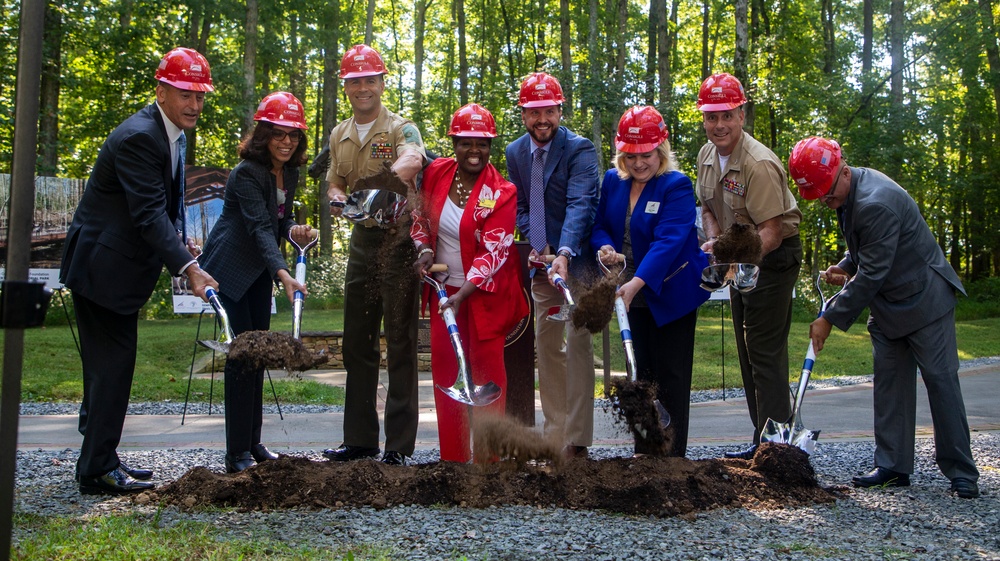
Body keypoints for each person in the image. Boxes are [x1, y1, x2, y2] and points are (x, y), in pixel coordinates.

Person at [59, 47, 219, 495]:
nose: (194, 105)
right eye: (185, 94)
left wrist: (179, 239)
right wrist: (188, 266)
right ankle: (95, 469)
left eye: (200, 96)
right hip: (102, 270)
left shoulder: (169, 133)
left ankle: (100, 454)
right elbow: (147, 214)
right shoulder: (140, 137)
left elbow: (160, 208)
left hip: (113, 269)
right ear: (161, 91)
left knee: (106, 368)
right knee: (113, 368)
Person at [789, 136, 980, 499]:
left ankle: (961, 471)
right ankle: (893, 465)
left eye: (828, 195)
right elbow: (867, 247)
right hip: (888, 305)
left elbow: (873, 272)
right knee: (890, 384)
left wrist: (829, 316)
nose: (827, 204)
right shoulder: (849, 189)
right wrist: (845, 265)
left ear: (842, 172)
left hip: (924, 300)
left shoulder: (877, 201)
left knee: (941, 383)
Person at [198, 92, 314, 473]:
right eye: (279, 134)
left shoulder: (290, 172)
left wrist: (294, 229)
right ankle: (236, 454)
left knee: (258, 357)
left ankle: (254, 443)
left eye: (293, 136)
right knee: (240, 360)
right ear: (263, 134)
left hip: (260, 272)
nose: (287, 142)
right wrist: (283, 273)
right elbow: (259, 227)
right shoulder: (246, 173)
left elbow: (277, 222)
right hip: (231, 270)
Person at [323, 45, 426, 466]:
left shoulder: (401, 128)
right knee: (356, 344)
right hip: (363, 245)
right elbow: (333, 183)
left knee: (400, 343)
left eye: (370, 80)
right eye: (355, 81)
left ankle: (398, 447)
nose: (363, 87)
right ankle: (359, 440)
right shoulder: (338, 134)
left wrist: (382, 187)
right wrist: (338, 200)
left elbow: (415, 157)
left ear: (382, 83)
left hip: (399, 243)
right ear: (346, 87)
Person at [410, 103, 529, 462]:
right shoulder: (436, 174)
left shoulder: (502, 191)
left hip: (483, 296)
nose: (474, 150)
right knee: (448, 374)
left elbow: (494, 252)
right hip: (444, 292)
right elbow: (420, 217)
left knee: (488, 377)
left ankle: (490, 463)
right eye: (466, 142)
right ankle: (454, 461)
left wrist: (463, 293)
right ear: (454, 142)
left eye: (482, 143)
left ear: (490, 146)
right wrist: (423, 249)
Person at [694, 72, 803, 460]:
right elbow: (707, 208)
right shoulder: (707, 155)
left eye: (727, 115)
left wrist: (738, 260)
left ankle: (778, 451)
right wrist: (719, 246)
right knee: (746, 348)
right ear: (703, 118)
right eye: (711, 116)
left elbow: (772, 230)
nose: (718, 125)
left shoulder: (758, 163)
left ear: (742, 114)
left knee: (763, 348)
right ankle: (765, 440)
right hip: (738, 258)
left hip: (773, 258)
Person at [591, 106, 710, 457]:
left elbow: (669, 241)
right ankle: (645, 452)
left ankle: (672, 459)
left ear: (661, 151)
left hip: (671, 293)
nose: (640, 163)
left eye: (646, 154)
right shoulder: (614, 181)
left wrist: (637, 281)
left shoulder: (676, 185)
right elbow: (599, 226)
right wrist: (604, 248)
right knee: (639, 376)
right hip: (630, 294)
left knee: (670, 379)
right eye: (631, 156)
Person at [506, 72, 600, 459]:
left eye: (549, 110)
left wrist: (562, 251)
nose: (541, 118)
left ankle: (576, 440)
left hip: (576, 263)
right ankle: (554, 433)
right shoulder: (515, 152)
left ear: (560, 110)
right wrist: (539, 244)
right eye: (533, 112)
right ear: (523, 114)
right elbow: (522, 207)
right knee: (547, 346)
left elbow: (582, 204)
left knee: (577, 344)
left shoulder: (580, 149)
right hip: (541, 264)